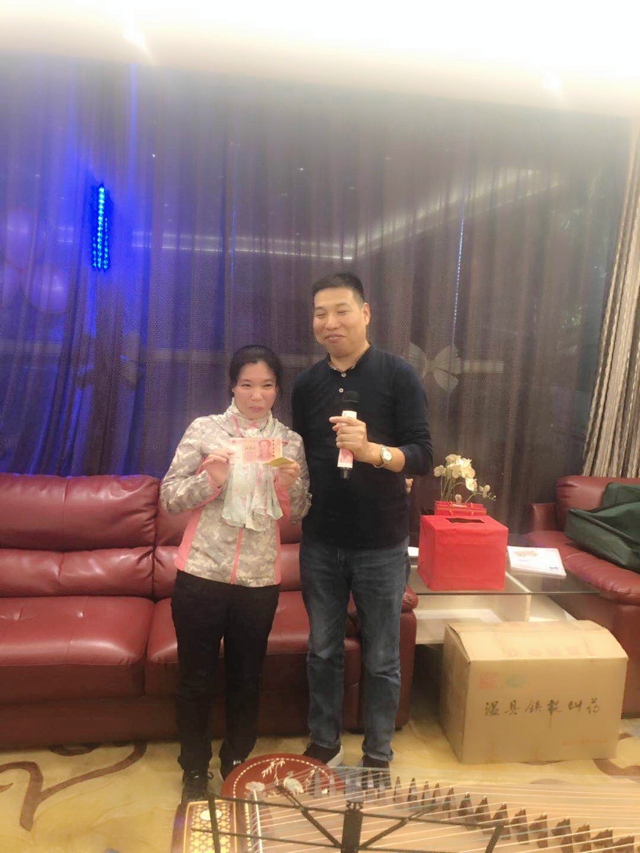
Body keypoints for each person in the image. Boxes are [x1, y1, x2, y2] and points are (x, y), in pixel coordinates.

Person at [292, 272, 432, 774]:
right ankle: (324, 742)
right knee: (322, 650)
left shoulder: (398, 376)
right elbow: (301, 458)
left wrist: (375, 452)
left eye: (341, 310)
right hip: (320, 541)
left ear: (366, 313)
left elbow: (423, 456)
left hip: (382, 543)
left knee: (382, 656)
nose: (329, 322)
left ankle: (377, 754)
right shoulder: (307, 385)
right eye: (320, 313)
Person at [161, 345, 311, 802]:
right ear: (232, 386)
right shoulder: (206, 430)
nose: (256, 395)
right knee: (196, 678)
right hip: (201, 574)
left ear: (277, 389)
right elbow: (170, 498)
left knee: (247, 678)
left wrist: (289, 487)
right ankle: (193, 769)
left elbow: (300, 511)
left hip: (258, 581)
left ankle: (235, 761)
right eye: (247, 384)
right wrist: (213, 478)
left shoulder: (289, 443)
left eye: (266, 385)